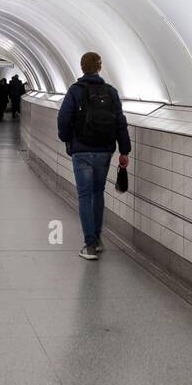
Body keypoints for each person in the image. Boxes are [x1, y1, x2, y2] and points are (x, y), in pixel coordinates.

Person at [56, 52, 130, 261]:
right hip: (105, 150)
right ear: (99, 67)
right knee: (98, 193)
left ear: (82, 67)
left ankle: (89, 245)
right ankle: (96, 240)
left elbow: (63, 119)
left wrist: (67, 139)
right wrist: (124, 151)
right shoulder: (111, 92)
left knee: (85, 195)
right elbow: (120, 122)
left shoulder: (75, 91)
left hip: (81, 151)